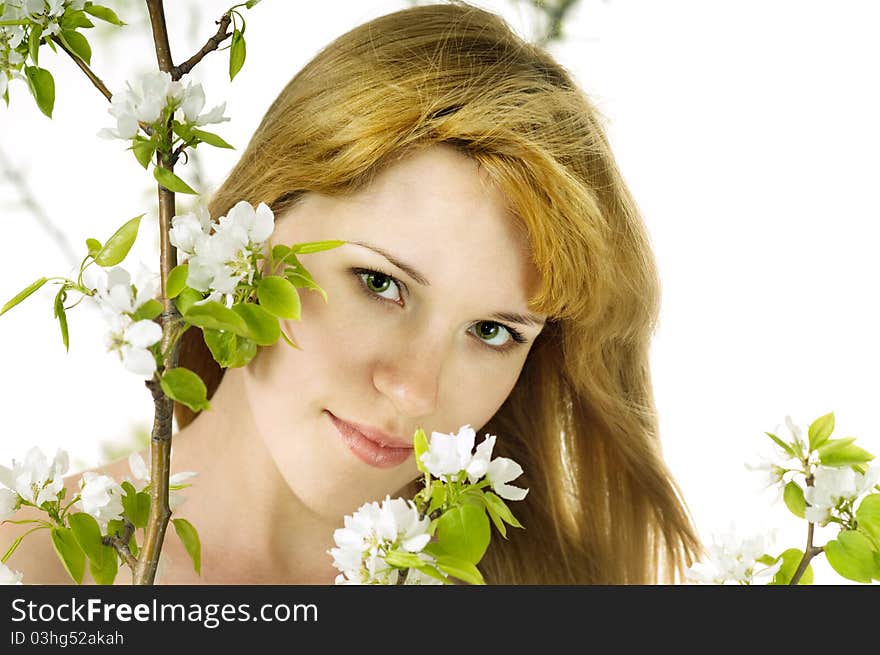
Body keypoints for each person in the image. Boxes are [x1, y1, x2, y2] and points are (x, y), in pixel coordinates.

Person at [2, 1, 701, 584]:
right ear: (255, 235)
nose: (416, 392)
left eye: (493, 331)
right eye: (380, 283)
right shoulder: (26, 568)